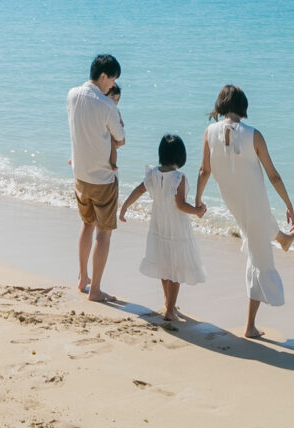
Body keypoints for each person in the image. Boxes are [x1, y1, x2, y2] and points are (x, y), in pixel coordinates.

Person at [198, 84, 294, 340]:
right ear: (243, 106)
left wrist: (198, 200)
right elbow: (273, 175)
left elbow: (204, 171)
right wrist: (289, 204)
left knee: (257, 238)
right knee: (260, 260)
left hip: (232, 201)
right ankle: (250, 327)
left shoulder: (209, 132)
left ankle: (283, 238)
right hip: (254, 200)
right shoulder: (254, 135)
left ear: (221, 105)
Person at [121, 133, 208, 323]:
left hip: (159, 224)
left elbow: (139, 189)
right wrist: (197, 211)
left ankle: (169, 303)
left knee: (164, 265)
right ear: (180, 155)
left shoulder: (153, 173)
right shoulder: (178, 177)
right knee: (175, 267)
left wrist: (125, 206)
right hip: (176, 226)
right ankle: (169, 310)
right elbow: (180, 205)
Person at [67, 53, 126, 302]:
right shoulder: (107, 105)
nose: (112, 84)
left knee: (86, 225)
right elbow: (120, 139)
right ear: (103, 76)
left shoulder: (72, 95)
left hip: (80, 175)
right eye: (112, 79)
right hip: (102, 178)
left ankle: (83, 278)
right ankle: (96, 290)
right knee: (104, 234)